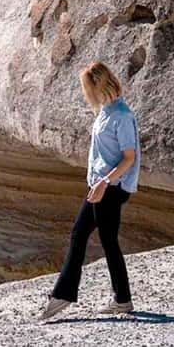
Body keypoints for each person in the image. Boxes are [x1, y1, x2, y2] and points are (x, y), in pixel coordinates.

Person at [41, 61, 140, 321]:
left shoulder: (121, 115)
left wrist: (104, 182)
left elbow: (129, 157)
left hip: (110, 187)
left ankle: (62, 295)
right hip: (100, 185)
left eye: (87, 87)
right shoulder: (106, 111)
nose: (85, 93)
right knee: (105, 241)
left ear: (98, 85)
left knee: (80, 235)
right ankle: (122, 299)